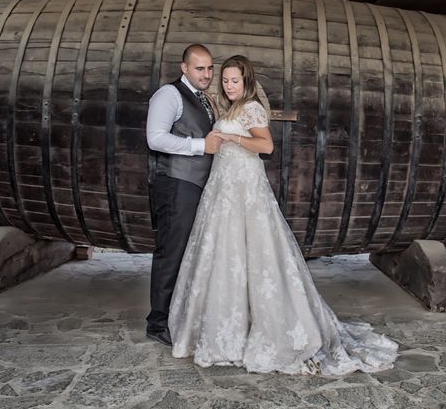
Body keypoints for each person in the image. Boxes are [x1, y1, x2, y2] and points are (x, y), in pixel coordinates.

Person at [168, 55, 398, 375]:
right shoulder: (230, 107)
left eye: (235, 80)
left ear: (247, 81)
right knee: (223, 253)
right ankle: (225, 326)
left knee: (257, 253)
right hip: (223, 188)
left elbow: (266, 146)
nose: (229, 85)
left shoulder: (252, 108)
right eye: (225, 80)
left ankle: (266, 328)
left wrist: (233, 137)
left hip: (246, 188)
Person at [145, 44, 223, 346]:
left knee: (189, 253)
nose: (206, 74)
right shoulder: (169, 95)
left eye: (209, 68)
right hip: (177, 183)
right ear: (184, 68)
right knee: (171, 251)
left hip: (197, 185)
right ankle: (158, 323)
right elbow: (155, 138)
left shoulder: (204, 99)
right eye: (199, 68)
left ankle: (178, 316)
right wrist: (200, 145)